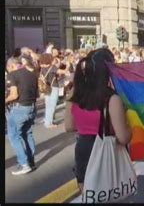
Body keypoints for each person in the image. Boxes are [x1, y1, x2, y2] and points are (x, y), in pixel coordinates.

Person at [64, 48, 132, 193]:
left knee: (89, 195)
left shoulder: (75, 93)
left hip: (83, 150)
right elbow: (123, 137)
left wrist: (87, 125)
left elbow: (69, 126)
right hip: (107, 152)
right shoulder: (112, 98)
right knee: (111, 195)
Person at [5, 57, 39, 175]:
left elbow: (14, 95)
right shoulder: (32, 74)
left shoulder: (13, 74)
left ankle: (24, 164)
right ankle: (31, 162)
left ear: (11, 66)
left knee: (14, 136)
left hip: (20, 108)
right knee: (27, 133)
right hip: (32, 107)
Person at [39, 53, 68, 128]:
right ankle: (49, 123)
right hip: (53, 87)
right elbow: (63, 71)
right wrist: (68, 66)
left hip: (46, 87)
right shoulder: (52, 68)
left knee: (48, 104)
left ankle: (46, 119)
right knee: (52, 105)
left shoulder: (42, 68)